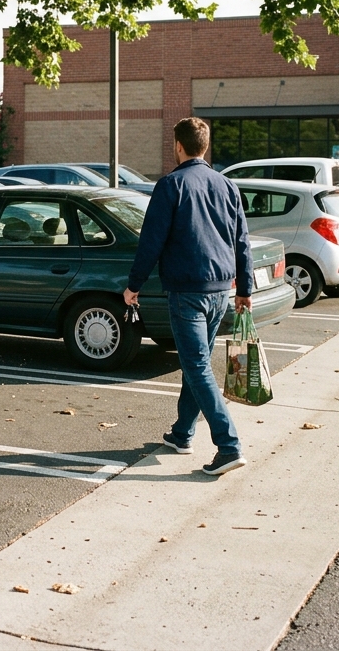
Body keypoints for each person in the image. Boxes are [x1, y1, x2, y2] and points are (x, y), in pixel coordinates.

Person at [124, 117, 253, 476]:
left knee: (196, 366)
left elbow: (151, 241)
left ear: (178, 146)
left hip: (187, 292)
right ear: (205, 146)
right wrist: (244, 289)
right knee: (194, 363)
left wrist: (133, 285)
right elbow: (241, 240)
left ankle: (228, 446)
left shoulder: (171, 185)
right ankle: (182, 433)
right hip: (220, 292)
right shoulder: (228, 186)